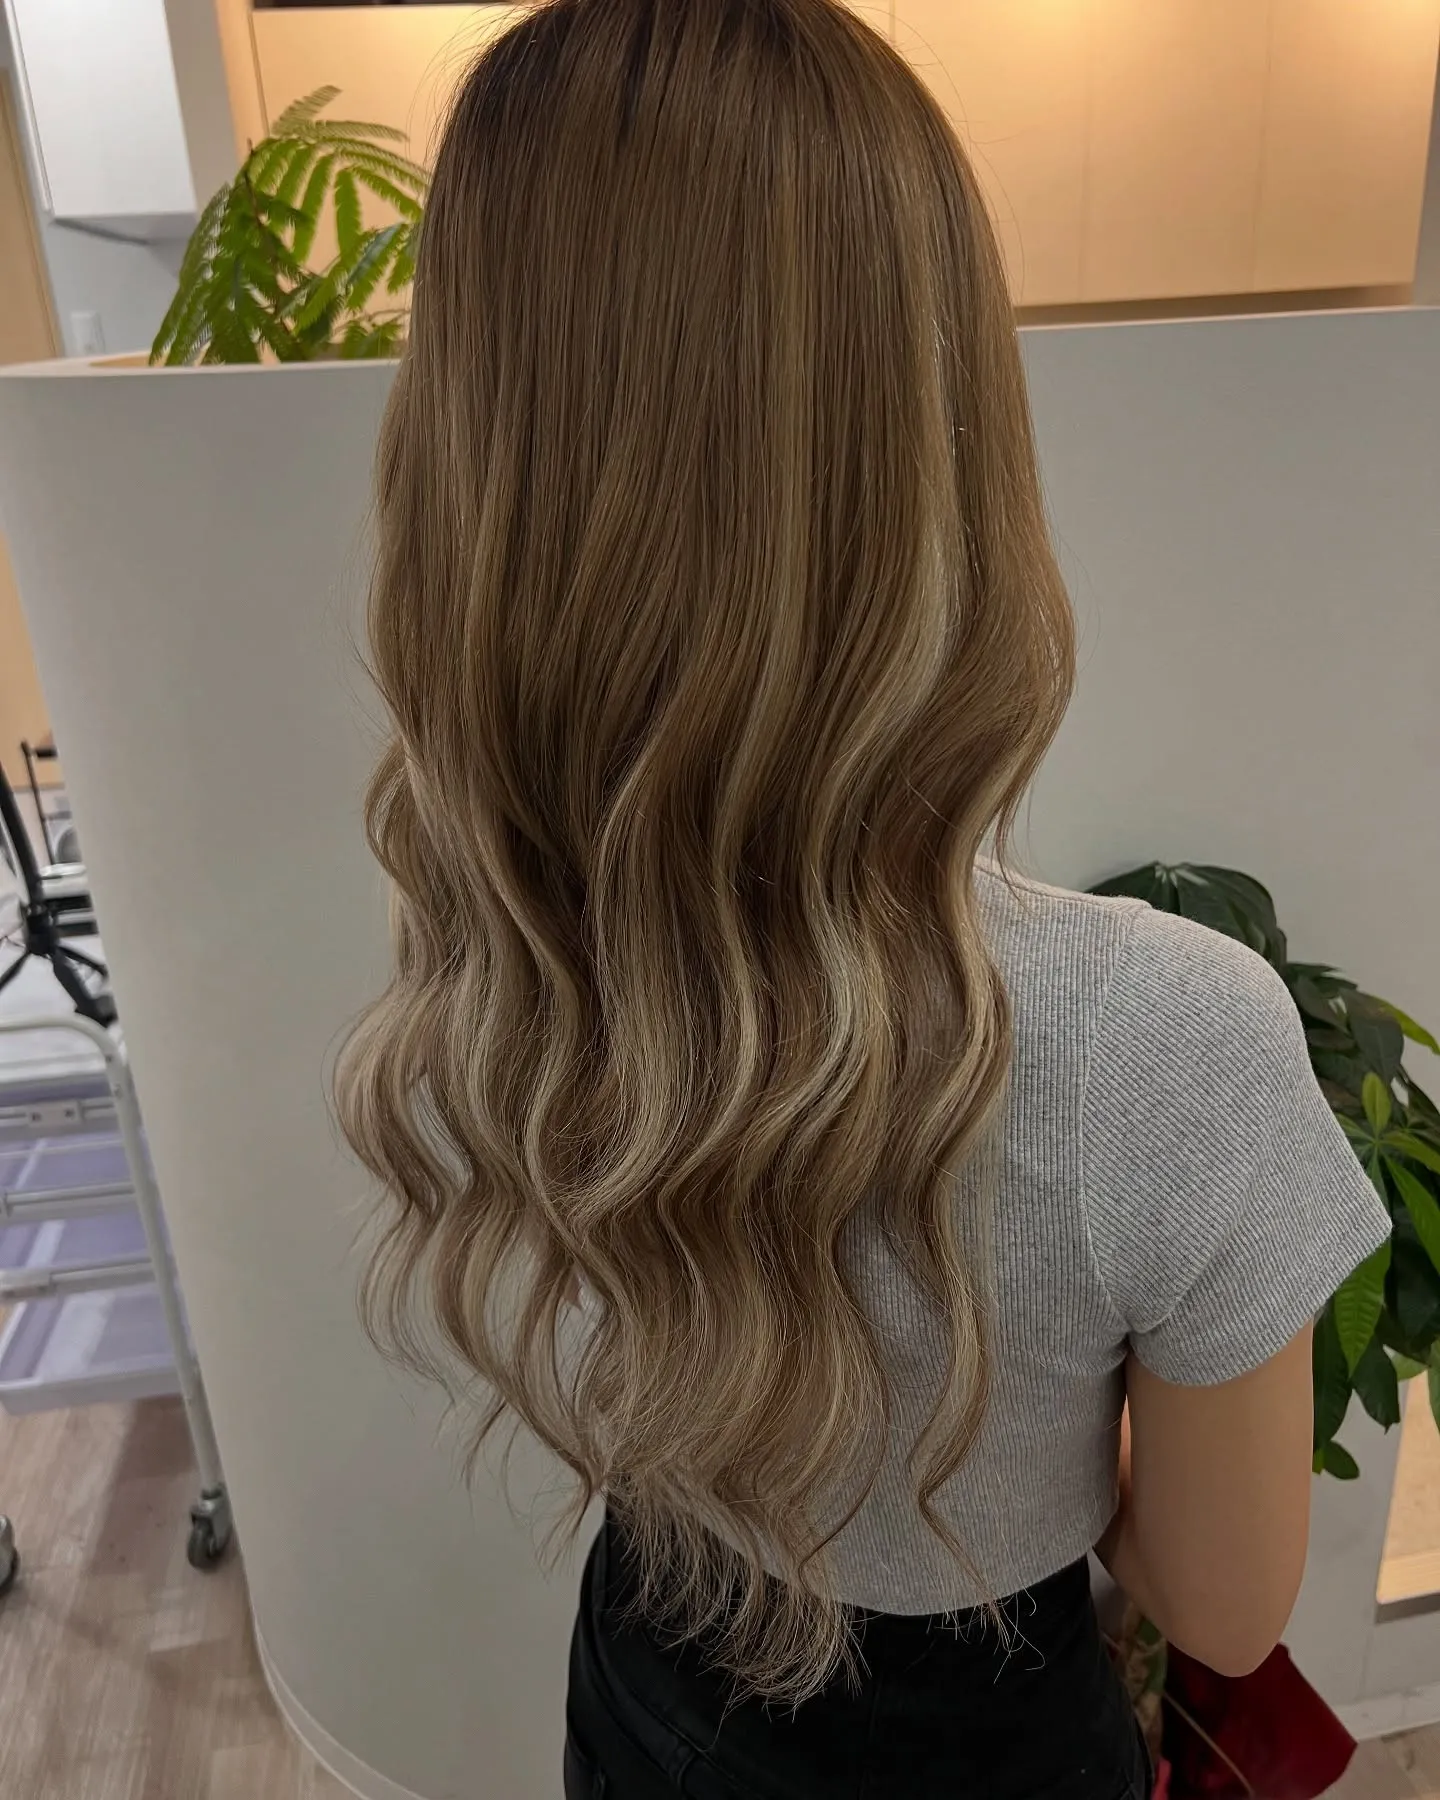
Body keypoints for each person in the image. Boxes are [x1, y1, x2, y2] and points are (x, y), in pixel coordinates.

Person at [333, 2, 1392, 1793]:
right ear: (940, 414)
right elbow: (1226, 1606)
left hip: (640, 1684)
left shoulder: (503, 933)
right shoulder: (1168, 1038)